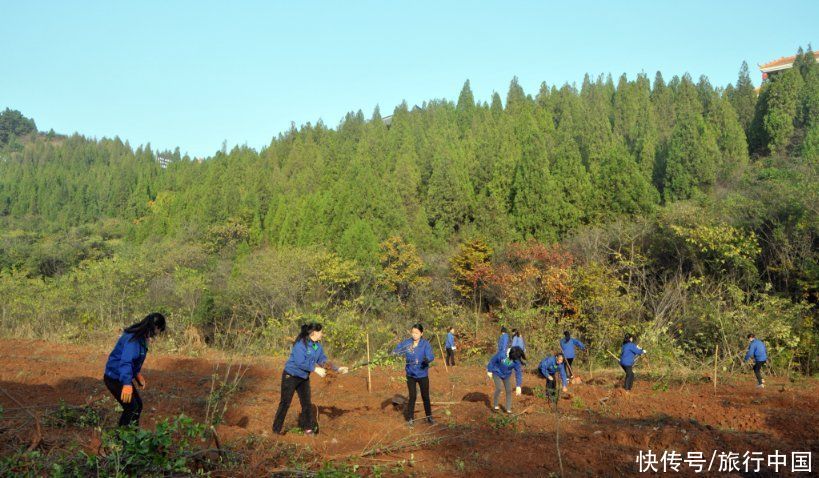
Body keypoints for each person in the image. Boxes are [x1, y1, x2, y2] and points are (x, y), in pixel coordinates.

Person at [272, 323, 349, 435]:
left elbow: (323, 360)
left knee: (307, 403)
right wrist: (315, 369)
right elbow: (300, 362)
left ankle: (307, 429)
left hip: (303, 377)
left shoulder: (317, 346)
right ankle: (276, 430)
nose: (322, 334)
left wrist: (337, 369)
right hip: (291, 376)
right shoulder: (300, 344)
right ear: (314, 333)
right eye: (321, 332)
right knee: (285, 403)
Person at [103, 312, 166, 427]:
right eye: (159, 330)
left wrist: (137, 374)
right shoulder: (134, 339)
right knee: (132, 408)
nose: (158, 334)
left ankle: (132, 436)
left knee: (138, 406)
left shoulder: (141, 336)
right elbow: (126, 362)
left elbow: (134, 359)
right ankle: (123, 440)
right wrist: (127, 384)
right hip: (114, 378)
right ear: (156, 327)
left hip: (120, 376)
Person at [393, 323, 435, 426]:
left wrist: (427, 359)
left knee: (425, 396)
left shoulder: (425, 344)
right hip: (410, 374)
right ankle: (410, 419)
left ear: (421, 333)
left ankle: (429, 417)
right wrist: (393, 353)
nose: (414, 335)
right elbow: (398, 350)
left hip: (422, 374)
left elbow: (431, 356)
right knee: (412, 396)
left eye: (416, 333)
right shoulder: (407, 343)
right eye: (413, 332)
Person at [486, 346, 525, 413]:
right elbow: (492, 361)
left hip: (506, 376)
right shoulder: (502, 354)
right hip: (497, 372)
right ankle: (495, 405)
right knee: (499, 388)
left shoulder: (516, 360)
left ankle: (508, 408)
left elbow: (518, 372)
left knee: (509, 390)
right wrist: (489, 370)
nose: (514, 360)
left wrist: (518, 385)